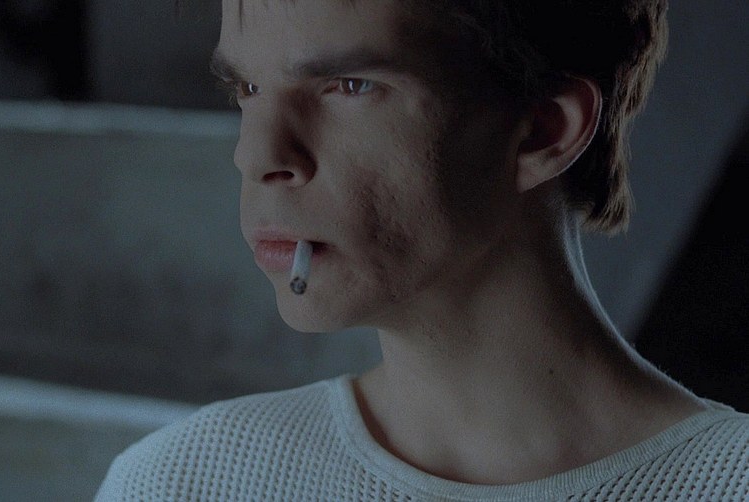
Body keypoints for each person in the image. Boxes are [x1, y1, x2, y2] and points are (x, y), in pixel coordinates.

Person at [95, 0, 749, 500]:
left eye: (349, 85)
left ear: (541, 130)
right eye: (247, 90)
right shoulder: (185, 481)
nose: (256, 154)